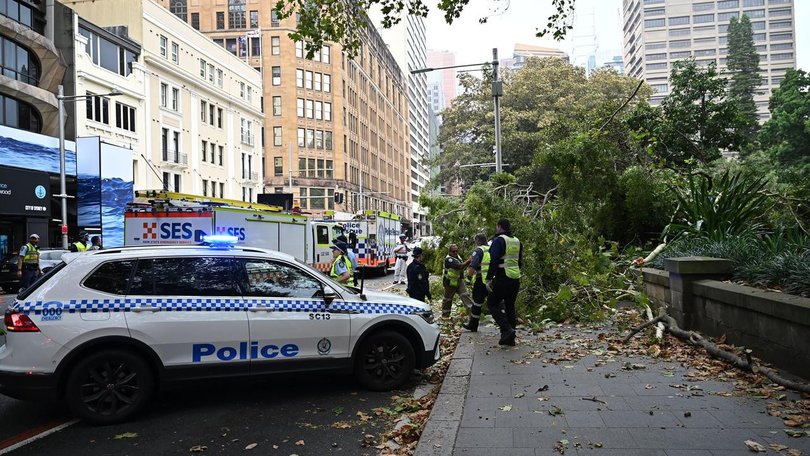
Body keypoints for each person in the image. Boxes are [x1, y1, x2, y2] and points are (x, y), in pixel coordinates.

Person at [486, 218, 523, 346]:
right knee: (510, 307)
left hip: (502, 278)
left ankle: (507, 329)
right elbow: (519, 262)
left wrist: (489, 278)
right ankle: (510, 339)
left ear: (500, 227)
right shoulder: (517, 241)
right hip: (515, 279)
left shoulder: (499, 241)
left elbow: (494, 261)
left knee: (492, 303)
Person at [462, 233, 490, 332]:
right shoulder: (491, 249)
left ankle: (473, 325)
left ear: (478, 241)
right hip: (492, 281)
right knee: (495, 304)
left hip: (480, 281)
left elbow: (473, 266)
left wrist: (468, 278)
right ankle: (506, 327)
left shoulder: (478, 251)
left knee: (477, 304)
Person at [441, 243, 473, 319]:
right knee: (448, 299)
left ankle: (473, 314)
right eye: (453, 251)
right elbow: (459, 266)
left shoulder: (457, 257)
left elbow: (462, 267)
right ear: (449, 252)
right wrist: (469, 260)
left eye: (456, 251)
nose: (455, 253)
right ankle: (445, 316)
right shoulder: (449, 259)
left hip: (459, 281)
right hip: (450, 282)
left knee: (465, 295)